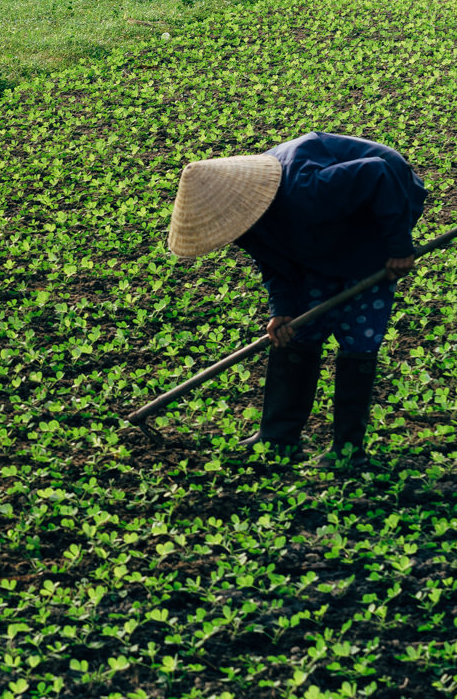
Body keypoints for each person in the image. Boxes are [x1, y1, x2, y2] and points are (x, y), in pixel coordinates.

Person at [167, 132, 427, 465]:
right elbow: (275, 259)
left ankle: (348, 449)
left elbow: (377, 172)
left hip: (383, 206)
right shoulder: (246, 219)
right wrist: (282, 309)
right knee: (299, 330)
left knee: (359, 334)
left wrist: (398, 248)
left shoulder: (307, 189)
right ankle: (278, 438)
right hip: (321, 228)